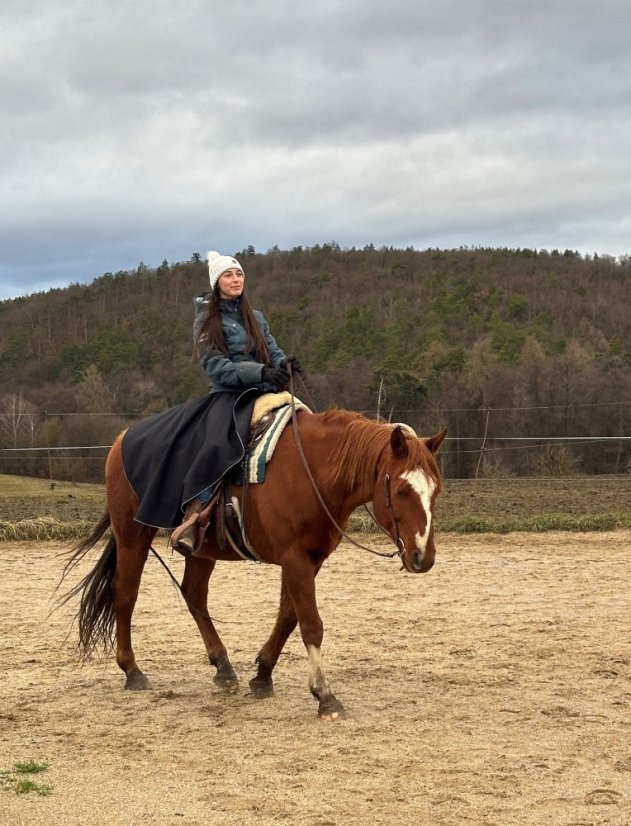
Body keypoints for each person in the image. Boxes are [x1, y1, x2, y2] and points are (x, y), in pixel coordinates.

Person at [169, 250, 302, 554]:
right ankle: (196, 514)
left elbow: (272, 349)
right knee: (216, 444)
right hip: (227, 395)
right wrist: (261, 371)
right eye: (228, 275)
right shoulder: (205, 321)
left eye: (239, 274)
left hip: (264, 390)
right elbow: (216, 367)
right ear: (217, 282)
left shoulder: (256, 317)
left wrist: (284, 366)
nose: (235, 279)